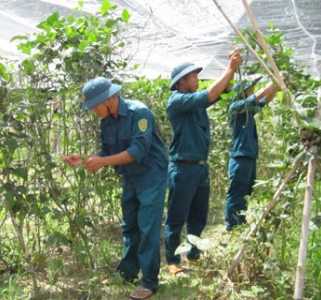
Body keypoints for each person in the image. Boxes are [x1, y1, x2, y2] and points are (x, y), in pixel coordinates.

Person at [61, 77, 167, 300]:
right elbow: (106, 151)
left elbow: (137, 151)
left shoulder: (140, 113)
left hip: (151, 177)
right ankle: (127, 272)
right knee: (129, 225)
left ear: (108, 99)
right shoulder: (106, 122)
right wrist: (84, 159)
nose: (92, 111)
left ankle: (149, 281)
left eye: (94, 106)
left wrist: (103, 162)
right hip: (130, 178)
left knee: (147, 227)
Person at [163, 49, 243, 276]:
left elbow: (222, 91)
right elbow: (209, 94)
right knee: (176, 217)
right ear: (182, 81)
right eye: (194, 76)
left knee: (198, 215)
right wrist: (229, 69)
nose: (197, 79)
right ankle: (172, 260)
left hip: (199, 167)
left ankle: (193, 254)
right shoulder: (177, 101)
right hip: (182, 168)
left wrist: (232, 69)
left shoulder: (195, 104)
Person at [225, 78, 279, 231]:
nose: (253, 88)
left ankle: (240, 222)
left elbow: (264, 100)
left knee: (246, 192)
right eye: (250, 87)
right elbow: (259, 96)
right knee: (236, 193)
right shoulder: (236, 107)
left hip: (249, 156)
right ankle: (232, 226)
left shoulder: (248, 109)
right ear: (242, 92)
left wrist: (276, 87)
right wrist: (274, 81)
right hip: (240, 157)